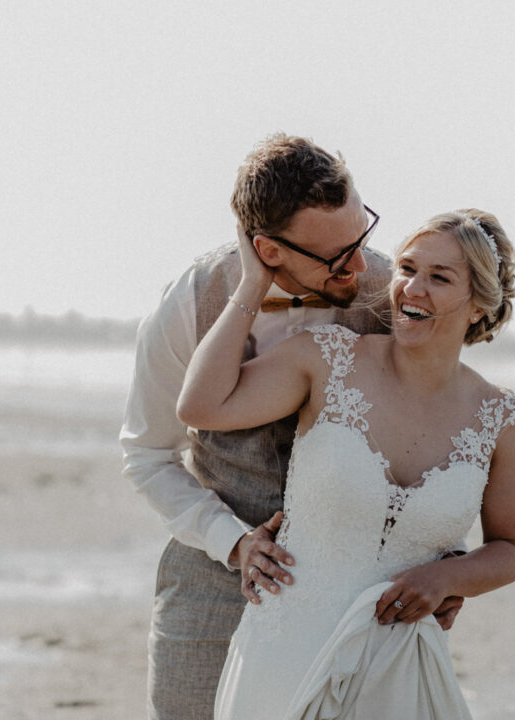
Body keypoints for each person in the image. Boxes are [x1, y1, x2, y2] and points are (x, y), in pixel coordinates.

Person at [120, 134, 462, 720]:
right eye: (334, 256)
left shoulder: (392, 295)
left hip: (358, 592)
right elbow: (147, 456)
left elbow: (433, 430)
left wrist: (443, 555)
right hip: (211, 585)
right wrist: (232, 542)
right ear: (267, 250)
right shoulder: (188, 305)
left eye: (362, 237)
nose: (358, 266)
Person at [177, 209, 515, 719]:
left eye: (439, 277)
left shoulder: (500, 419)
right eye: (408, 268)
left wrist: (445, 581)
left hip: (397, 670)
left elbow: (511, 549)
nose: (412, 288)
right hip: (285, 654)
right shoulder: (326, 360)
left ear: (478, 305)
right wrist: (254, 283)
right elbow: (201, 406)